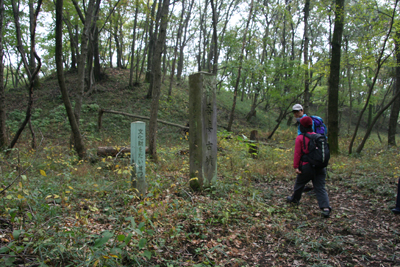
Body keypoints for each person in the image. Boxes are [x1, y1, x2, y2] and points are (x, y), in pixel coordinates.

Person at [287, 116, 332, 218]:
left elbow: (297, 154)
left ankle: (294, 200)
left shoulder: (300, 138)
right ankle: (325, 208)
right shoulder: (318, 136)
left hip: (306, 167)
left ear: (302, 126)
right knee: (320, 187)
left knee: (299, 184)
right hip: (320, 167)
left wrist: (296, 167)